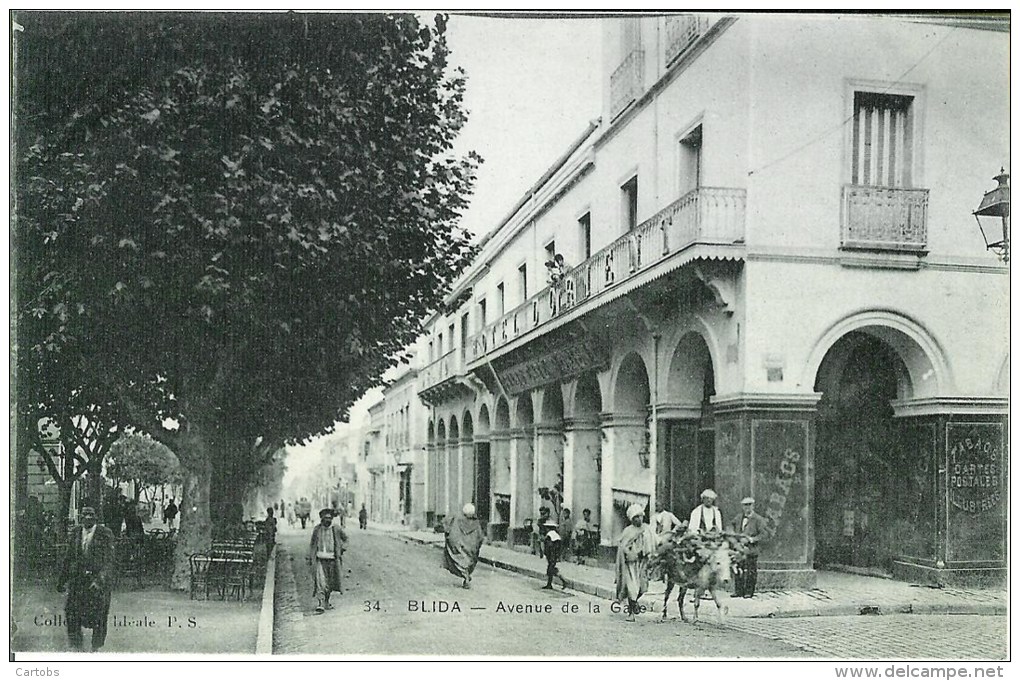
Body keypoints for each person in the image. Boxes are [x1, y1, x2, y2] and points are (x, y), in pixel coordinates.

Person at [57, 506, 116, 651]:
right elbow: (69, 557)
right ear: (80, 517)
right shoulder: (76, 532)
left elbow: (110, 560)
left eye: (91, 515)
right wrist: (62, 580)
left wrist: (100, 580)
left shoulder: (105, 533)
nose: (88, 518)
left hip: (97, 582)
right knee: (71, 612)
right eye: (85, 515)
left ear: (96, 517)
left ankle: (96, 647)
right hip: (78, 581)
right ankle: (76, 646)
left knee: (99, 615)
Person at [614, 504, 656, 622]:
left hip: (643, 563)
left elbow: (654, 541)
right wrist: (631, 553)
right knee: (632, 588)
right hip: (631, 565)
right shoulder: (628, 531)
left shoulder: (647, 529)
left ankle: (634, 603)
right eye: (636, 517)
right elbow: (623, 547)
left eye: (641, 516)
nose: (639, 519)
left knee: (642, 588)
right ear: (632, 519)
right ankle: (631, 613)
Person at [308, 508, 347, 613]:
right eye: (325, 518)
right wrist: (310, 557)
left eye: (329, 518)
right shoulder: (317, 529)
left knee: (329, 583)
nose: (327, 520)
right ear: (321, 518)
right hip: (320, 559)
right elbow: (312, 544)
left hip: (333, 560)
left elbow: (345, 539)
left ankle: (326, 601)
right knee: (321, 582)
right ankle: (320, 603)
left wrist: (342, 548)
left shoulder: (336, 529)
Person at [730, 497, 767, 598]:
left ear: (753, 506)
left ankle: (749, 592)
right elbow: (731, 527)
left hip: (751, 549)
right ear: (742, 506)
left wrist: (751, 539)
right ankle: (738, 591)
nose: (747, 507)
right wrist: (735, 538)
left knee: (751, 571)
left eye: (749, 505)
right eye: (745, 505)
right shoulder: (738, 518)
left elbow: (763, 535)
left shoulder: (758, 519)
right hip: (740, 549)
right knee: (738, 568)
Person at [444, 503, 484, 589]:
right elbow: (480, 537)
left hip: (461, 549)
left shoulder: (458, 521)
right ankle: (467, 576)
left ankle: (466, 577)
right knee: (468, 564)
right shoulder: (476, 524)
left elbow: (452, 535)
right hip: (471, 550)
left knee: (460, 563)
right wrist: (476, 546)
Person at [541, 518, 568, 590]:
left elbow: (549, 545)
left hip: (551, 554)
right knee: (550, 569)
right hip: (555, 554)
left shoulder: (549, 535)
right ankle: (549, 584)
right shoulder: (556, 535)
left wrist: (545, 553)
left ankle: (563, 580)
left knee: (551, 569)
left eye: (547, 527)